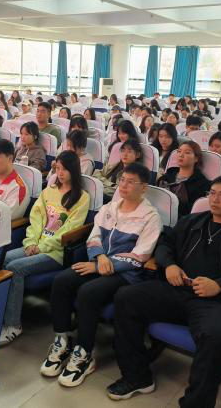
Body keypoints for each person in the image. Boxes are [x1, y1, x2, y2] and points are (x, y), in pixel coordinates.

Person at [108, 175, 221, 403]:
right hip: (178, 290)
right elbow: (164, 244)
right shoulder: (191, 222)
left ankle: (196, 402)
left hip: (216, 302)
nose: (215, 199)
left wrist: (220, 285)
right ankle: (137, 377)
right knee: (126, 297)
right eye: (212, 193)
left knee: (217, 335)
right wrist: (170, 265)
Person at [40, 162, 162, 386]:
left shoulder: (150, 217)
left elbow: (141, 255)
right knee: (62, 281)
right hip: (99, 262)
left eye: (130, 182)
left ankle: (84, 353)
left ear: (144, 187)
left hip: (126, 274)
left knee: (88, 292)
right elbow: (94, 237)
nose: (123, 185)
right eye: (122, 180)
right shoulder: (109, 208)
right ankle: (62, 340)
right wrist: (99, 258)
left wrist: (102, 265)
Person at [0, 151, 90, 345]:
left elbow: (69, 230)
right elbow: (36, 218)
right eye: (57, 169)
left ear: (74, 170)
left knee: (15, 268)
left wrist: (41, 247)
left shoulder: (82, 197)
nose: (60, 173)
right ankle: (1, 312)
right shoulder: (49, 191)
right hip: (36, 245)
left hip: (57, 252)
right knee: (4, 258)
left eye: (65, 169)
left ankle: (13, 324)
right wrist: (31, 242)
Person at [157, 141, 211, 216]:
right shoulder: (167, 176)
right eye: (179, 151)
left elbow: (193, 211)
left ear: (196, 158)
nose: (181, 155)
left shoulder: (202, 184)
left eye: (187, 152)